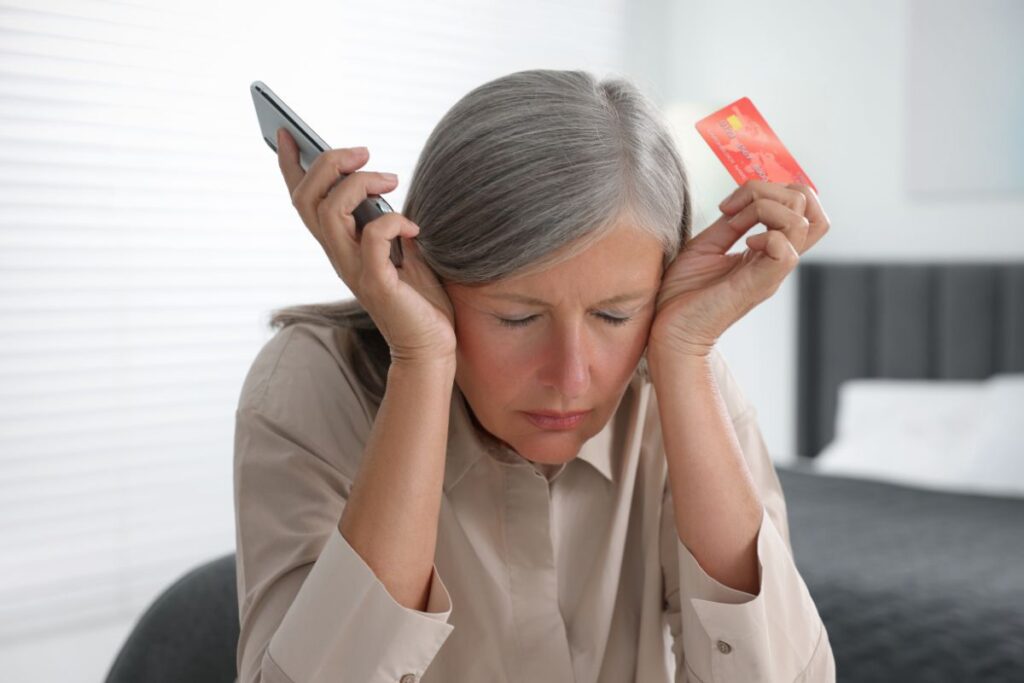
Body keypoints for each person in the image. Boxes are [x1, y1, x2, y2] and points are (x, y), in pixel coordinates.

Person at [233, 69, 835, 683]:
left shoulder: (680, 372)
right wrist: (421, 362)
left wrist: (683, 354)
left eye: (614, 314)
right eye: (517, 317)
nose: (571, 377)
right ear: (425, 276)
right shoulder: (311, 381)